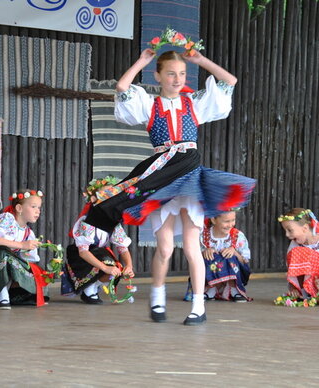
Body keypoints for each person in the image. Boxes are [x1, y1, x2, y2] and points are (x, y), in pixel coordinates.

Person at [84, 47, 256, 325]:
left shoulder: (193, 104)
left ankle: (198, 307)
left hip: (188, 174)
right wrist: (141, 60)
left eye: (182, 74)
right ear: (159, 76)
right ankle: (157, 298)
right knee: (164, 248)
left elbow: (229, 82)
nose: (177, 79)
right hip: (162, 176)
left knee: (190, 246)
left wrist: (201, 60)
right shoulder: (149, 104)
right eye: (171, 74)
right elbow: (122, 87)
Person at [61, 177, 135, 304]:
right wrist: (105, 268)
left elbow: (123, 248)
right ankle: (88, 288)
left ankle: (94, 286)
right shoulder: (88, 222)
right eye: (105, 196)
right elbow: (83, 252)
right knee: (107, 262)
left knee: (117, 267)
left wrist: (129, 266)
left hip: (98, 254)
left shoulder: (113, 223)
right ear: (95, 200)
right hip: (81, 258)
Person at [278, 208, 319, 305]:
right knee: (296, 252)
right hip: (304, 290)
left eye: (290, 230)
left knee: (304, 253)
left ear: (305, 228)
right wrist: (293, 288)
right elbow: (291, 271)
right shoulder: (294, 244)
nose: (287, 235)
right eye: (285, 231)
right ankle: (302, 293)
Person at [185, 210, 252, 302]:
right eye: (226, 221)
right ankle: (210, 289)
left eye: (233, 220)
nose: (230, 224)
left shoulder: (238, 236)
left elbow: (244, 262)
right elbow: (193, 259)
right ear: (213, 220)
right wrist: (205, 252)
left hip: (235, 275)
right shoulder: (203, 236)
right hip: (208, 277)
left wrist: (234, 252)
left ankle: (234, 290)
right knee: (210, 256)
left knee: (229, 257)